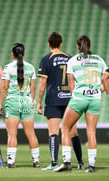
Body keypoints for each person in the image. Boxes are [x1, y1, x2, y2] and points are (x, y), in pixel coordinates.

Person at [54, 35, 107, 173]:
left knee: (65, 128)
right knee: (91, 133)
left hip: (79, 98)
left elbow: (71, 84)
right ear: (89, 46)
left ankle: (66, 162)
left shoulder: (72, 61)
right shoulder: (99, 60)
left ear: (78, 47)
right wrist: (101, 89)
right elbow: (105, 78)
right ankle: (91, 166)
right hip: (95, 99)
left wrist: (76, 98)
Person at [37, 32, 84, 170]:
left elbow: (42, 83)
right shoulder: (69, 58)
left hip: (53, 98)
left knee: (53, 132)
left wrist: (39, 101)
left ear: (49, 44)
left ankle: (53, 163)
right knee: (73, 131)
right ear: (61, 43)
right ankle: (80, 162)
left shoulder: (46, 59)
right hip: (70, 99)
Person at [0, 43, 40, 168]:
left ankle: (10, 161)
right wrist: (31, 101)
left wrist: (0, 103)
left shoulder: (8, 68)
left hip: (13, 102)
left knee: (11, 134)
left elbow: (4, 87)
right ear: (24, 53)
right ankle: (36, 160)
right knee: (31, 133)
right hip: (26, 101)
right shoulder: (31, 68)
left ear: (12, 54)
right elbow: (33, 87)